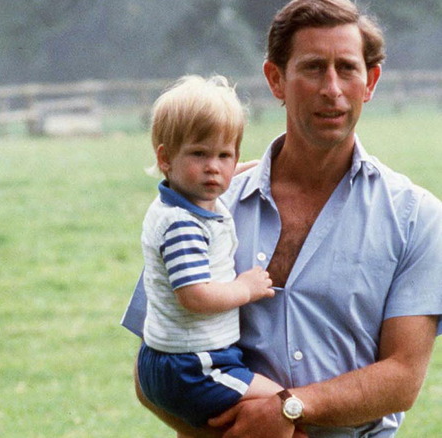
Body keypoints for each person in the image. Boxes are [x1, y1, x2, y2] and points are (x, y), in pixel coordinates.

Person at [122, 0, 442, 436]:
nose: (332, 88)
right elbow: (152, 368)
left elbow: (402, 378)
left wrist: (286, 409)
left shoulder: (416, 217)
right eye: (312, 68)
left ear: (371, 81)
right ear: (276, 79)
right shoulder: (207, 204)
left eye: (347, 68)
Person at [135, 74, 306, 433]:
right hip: (195, 366)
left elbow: (215, 179)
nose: (214, 167)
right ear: (165, 158)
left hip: (167, 360)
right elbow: (194, 295)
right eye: (199, 154)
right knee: (285, 409)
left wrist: (241, 171)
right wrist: (246, 289)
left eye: (224, 155)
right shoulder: (183, 224)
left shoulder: (179, 201)